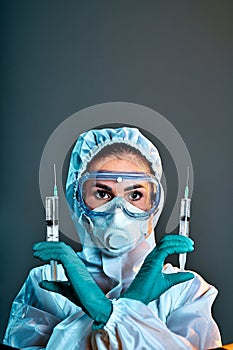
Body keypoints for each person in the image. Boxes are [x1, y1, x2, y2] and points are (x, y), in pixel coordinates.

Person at [3, 127, 222, 349]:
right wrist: (128, 310)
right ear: (77, 200)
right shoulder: (46, 284)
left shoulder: (185, 289)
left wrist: (108, 312)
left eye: (135, 195)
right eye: (102, 193)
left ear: (154, 205)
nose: (118, 210)